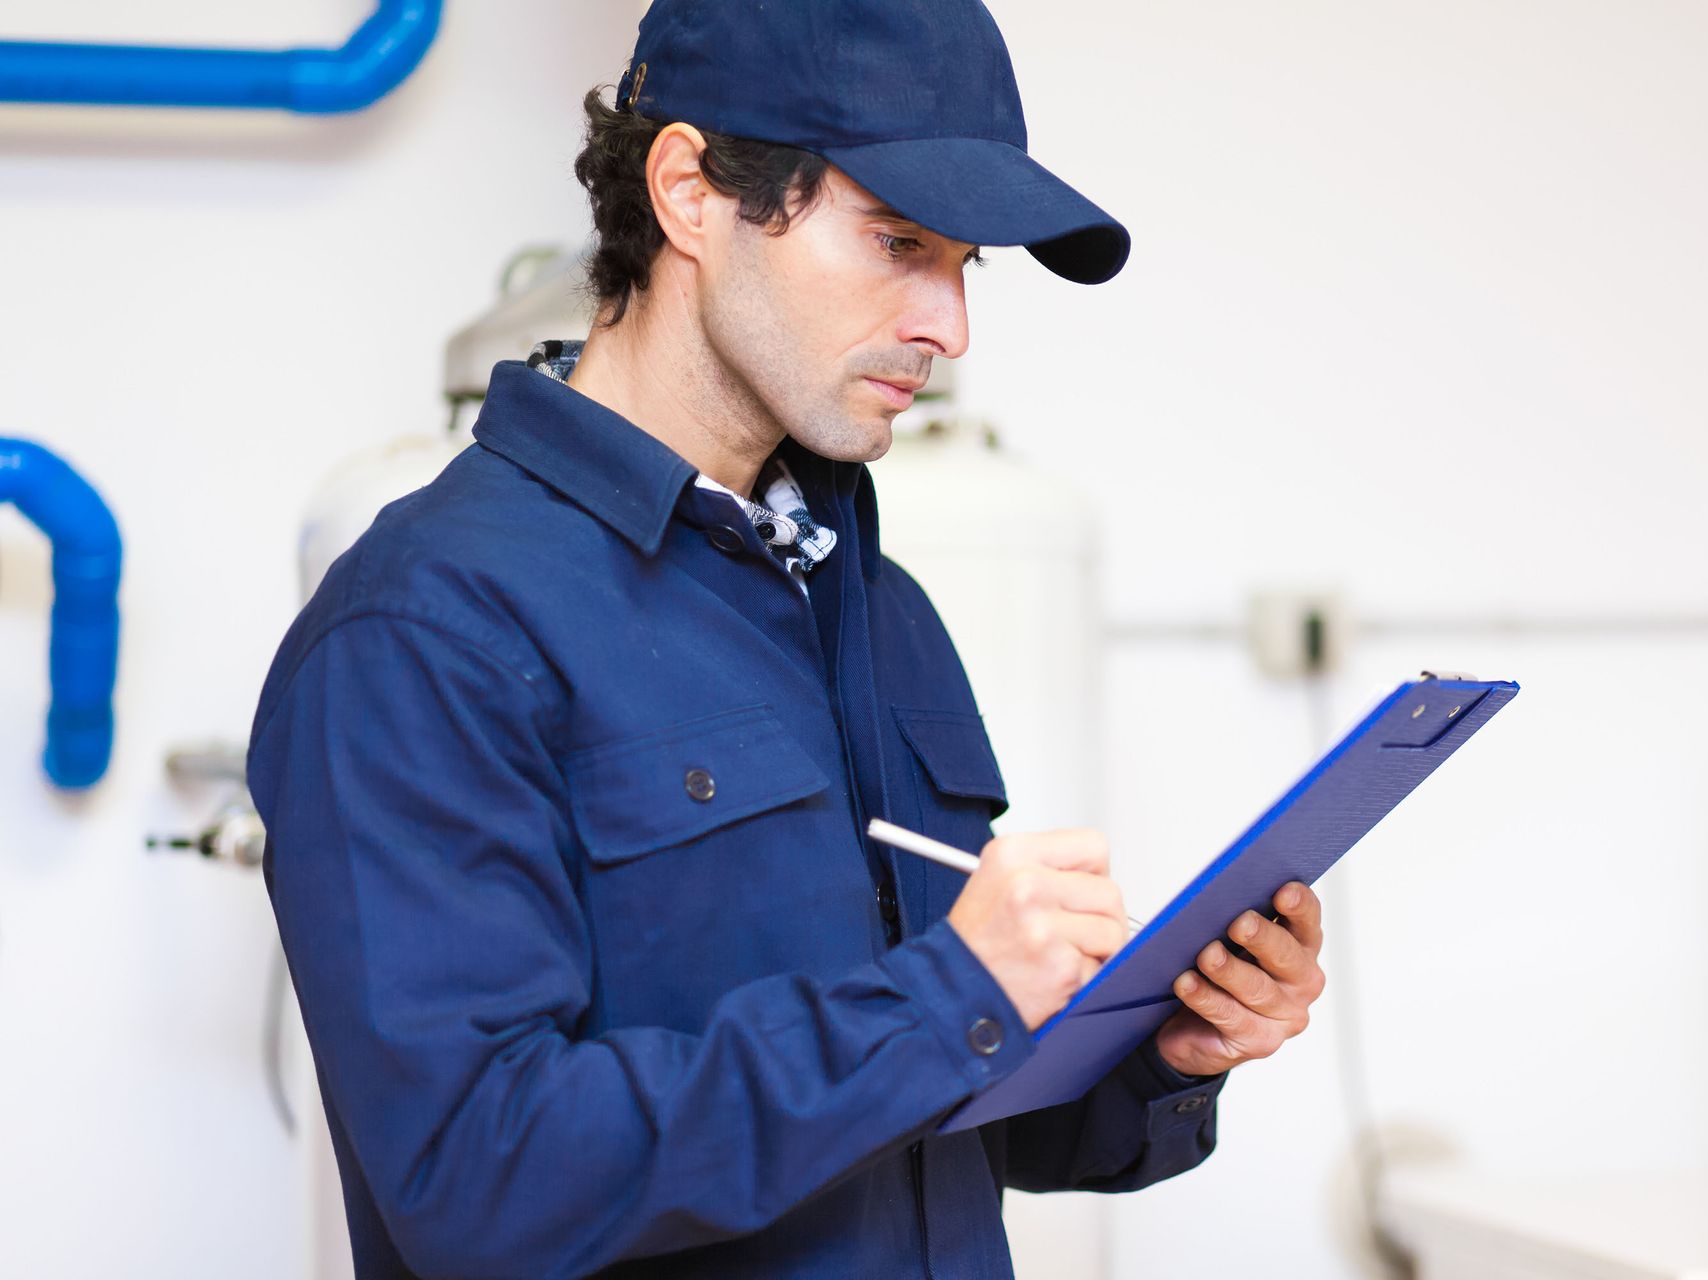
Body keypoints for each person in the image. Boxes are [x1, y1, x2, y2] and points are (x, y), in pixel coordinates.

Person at [247, 1, 1327, 1275]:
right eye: (896, 241)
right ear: (691, 189)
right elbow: (475, 1178)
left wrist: (1162, 1049)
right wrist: (947, 999)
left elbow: (944, 1120)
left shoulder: (873, 604)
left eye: (963, 264)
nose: (951, 328)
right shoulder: (429, 624)